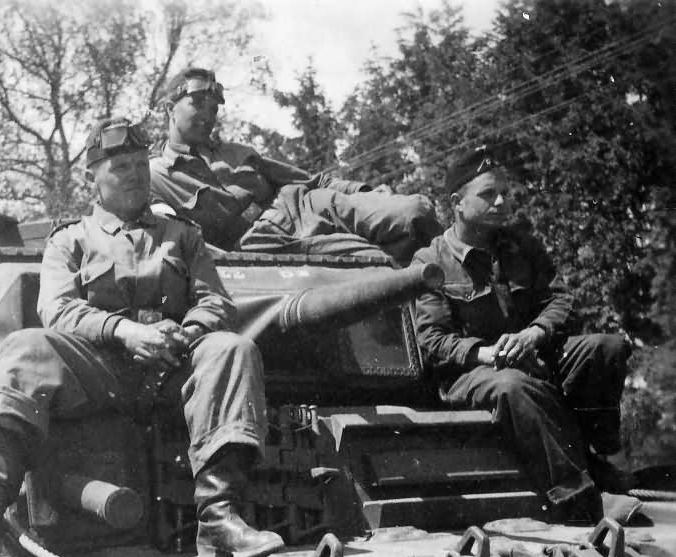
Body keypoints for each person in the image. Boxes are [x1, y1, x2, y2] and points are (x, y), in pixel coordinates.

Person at [0, 116, 284, 557]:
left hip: (173, 365)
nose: (134, 174)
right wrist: (125, 332)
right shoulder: (69, 241)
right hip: (100, 368)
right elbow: (59, 310)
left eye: (139, 164)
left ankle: (220, 519)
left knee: (233, 348)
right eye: (120, 167)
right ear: (95, 177)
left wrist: (184, 332)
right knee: (27, 347)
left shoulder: (183, 236)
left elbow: (216, 304)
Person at [413, 146, 631, 521]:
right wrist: (486, 354)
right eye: (487, 194)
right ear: (457, 203)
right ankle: (579, 499)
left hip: (532, 354)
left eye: (505, 193)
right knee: (512, 385)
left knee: (606, 348)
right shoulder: (430, 262)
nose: (501, 201)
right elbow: (431, 340)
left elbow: (560, 300)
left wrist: (533, 334)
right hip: (469, 375)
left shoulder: (521, 245)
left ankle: (594, 458)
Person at [149, 67, 441, 263]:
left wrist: (367, 192)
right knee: (381, 268)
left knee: (415, 211)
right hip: (264, 246)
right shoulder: (155, 176)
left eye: (213, 109)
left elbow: (315, 181)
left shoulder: (239, 152)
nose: (208, 115)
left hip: (310, 206)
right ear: (168, 109)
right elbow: (175, 241)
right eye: (198, 104)